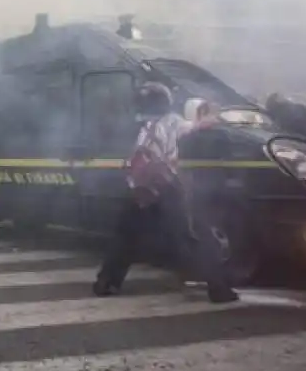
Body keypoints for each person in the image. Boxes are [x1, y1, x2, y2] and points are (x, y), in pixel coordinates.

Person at [93, 83, 238, 303]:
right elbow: (200, 127)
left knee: (125, 237)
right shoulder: (175, 123)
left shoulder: (145, 126)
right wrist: (217, 115)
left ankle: (106, 282)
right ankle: (218, 288)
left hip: (141, 189)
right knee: (193, 237)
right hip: (169, 188)